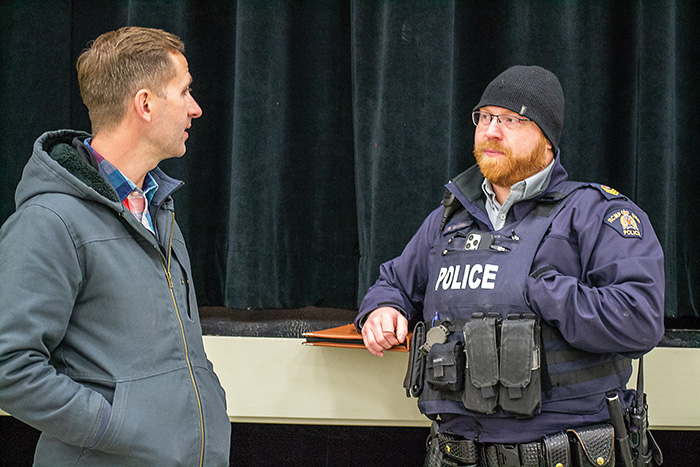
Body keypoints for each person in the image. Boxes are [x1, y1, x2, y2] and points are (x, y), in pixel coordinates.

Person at [356, 65, 664, 466]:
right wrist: (382, 309)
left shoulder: (594, 214)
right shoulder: (451, 219)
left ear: (547, 140)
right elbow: (393, 282)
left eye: (512, 120)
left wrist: (535, 288)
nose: (491, 131)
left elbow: (639, 318)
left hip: (564, 451)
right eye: (484, 117)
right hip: (456, 454)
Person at [0, 27, 231, 465]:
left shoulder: (158, 210)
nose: (195, 109)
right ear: (144, 104)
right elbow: (9, 365)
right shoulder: (49, 222)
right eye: (184, 91)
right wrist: (115, 427)